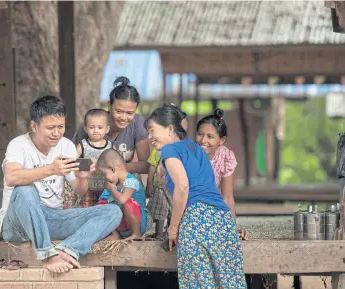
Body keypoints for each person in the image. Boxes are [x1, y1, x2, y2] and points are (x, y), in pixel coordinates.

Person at [0, 95, 122, 274]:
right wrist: (51, 169)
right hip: (17, 223)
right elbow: (11, 177)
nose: (56, 133)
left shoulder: (66, 146)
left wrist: (82, 177)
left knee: (113, 211)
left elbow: (79, 190)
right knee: (25, 189)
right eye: (50, 128)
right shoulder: (18, 145)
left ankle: (68, 249)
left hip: (52, 219)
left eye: (60, 127)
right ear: (34, 126)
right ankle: (47, 254)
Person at [146, 104, 247, 289]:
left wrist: (174, 228)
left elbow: (183, 186)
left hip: (196, 221)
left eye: (153, 131)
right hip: (223, 221)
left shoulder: (170, 150)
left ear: (169, 129)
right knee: (232, 284)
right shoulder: (195, 148)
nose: (149, 137)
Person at [72, 76, 150, 174]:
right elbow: (71, 162)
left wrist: (114, 167)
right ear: (109, 105)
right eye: (119, 111)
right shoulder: (92, 124)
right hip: (91, 181)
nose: (123, 117)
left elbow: (145, 165)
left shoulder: (137, 123)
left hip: (123, 181)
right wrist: (96, 167)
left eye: (129, 113)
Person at [196, 108, 249, 240]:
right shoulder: (190, 155)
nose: (203, 140)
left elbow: (227, 197)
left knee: (227, 235)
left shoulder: (225, 157)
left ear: (222, 140)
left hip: (215, 209)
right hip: (193, 208)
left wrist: (231, 228)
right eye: (200, 134)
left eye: (210, 136)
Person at [146, 104, 187, 239]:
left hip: (172, 187)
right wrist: (150, 183)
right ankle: (159, 233)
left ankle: (169, 231)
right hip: (159, 186)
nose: (150, 136)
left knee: (171, 210)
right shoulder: (157, 151)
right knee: (159, 211)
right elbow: (152, 167)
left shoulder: (177, 151)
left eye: (153, 131)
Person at [96, 148, 147, 240]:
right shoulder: (113, 185)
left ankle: (136, 234)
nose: (105, 178)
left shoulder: (131, 181)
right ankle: (115, 234)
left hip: (139, 222)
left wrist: (111, 189)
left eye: (104, 174)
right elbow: (102, 202)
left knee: (128, 203)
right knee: (101, 205)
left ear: (112, 169)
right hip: (121, 225)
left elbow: (123, 200)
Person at [75, 108, 112, 208]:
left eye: (100, 127)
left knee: (104, 209)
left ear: (107, 129)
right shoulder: (82, 145)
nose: (96, 130)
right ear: (86, 128)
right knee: (87, 209)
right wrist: (88, 164)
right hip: (87, 186)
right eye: (92, 127)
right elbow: (73, 161)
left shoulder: (110, 146)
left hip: (105, 187)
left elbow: (116, 165)